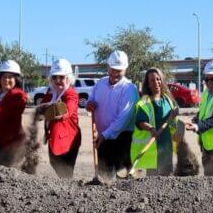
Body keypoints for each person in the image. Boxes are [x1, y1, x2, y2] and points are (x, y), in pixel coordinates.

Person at [87, 50, 139, 178]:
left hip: (121, 138)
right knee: (103, 173)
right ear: (108, 67)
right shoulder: (100, 83)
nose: (115, 73)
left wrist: (105, 135)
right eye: (113, 69)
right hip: (103, 137)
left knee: (117, 175)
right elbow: (91, 99)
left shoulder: (129, 89)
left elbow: (123, 119)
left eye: (119, 70)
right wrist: (89, 104)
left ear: (125, 69)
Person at [38, 59, 81, 179]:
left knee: (65, 169)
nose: (58, 80)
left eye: (61, 77)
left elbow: (66, 111)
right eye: (55, 77)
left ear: (68, 78)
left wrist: (47, 109)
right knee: (54, 162)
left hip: (69, 139)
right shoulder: (51, 92)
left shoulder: (71, 94)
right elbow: (42, 106)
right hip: (55, 137)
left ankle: (69, 190)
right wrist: (40, 112)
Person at [131, 67, 177, 176]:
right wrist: (151, 129)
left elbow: (173, 118)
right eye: (152, 80)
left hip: (166, 145)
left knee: (168, 178)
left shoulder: (167, 99)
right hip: (153, 149)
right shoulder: (145, 101)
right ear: (148, 84)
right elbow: (141, 121)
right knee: (154, 182)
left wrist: (174, 114)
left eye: (158, 79)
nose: (156, 82)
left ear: (162, 80)